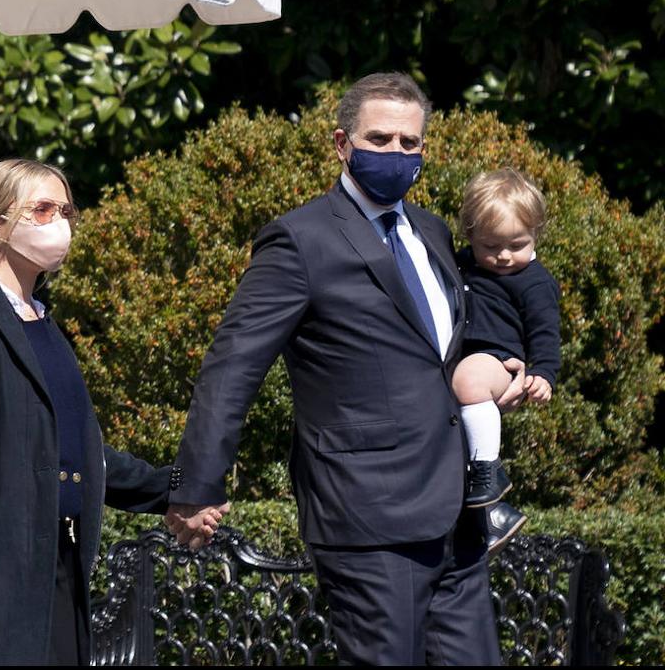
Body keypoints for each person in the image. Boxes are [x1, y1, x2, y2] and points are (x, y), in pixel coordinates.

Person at [163, 72, 527, 665]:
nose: (396, 153)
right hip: (366, 519)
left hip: (456, 518)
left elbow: (444, 349)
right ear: (342, 144)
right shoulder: (299, 241)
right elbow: (232, 366)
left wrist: (503, 366)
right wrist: (196, 485)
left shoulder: (433, 232)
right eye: (379, 139)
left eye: (409, 143)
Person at [0, 159, 220, 665]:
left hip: (58, 570)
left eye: (65, 211)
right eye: (42, 209)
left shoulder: (45, 326)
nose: (59, 222)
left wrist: (177, 487)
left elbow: (78, 451)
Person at [451, 168, 561, 551]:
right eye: (490, 245)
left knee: (469, 380)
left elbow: (545, 332)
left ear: (536, 235)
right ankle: (492, 516)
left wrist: (543, 373)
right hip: (461, 359)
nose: (502, 256)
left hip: (498, 360)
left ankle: (488, 470)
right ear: (470, 236)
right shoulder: (461, 263)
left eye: (517, 244)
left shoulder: (534, 281)